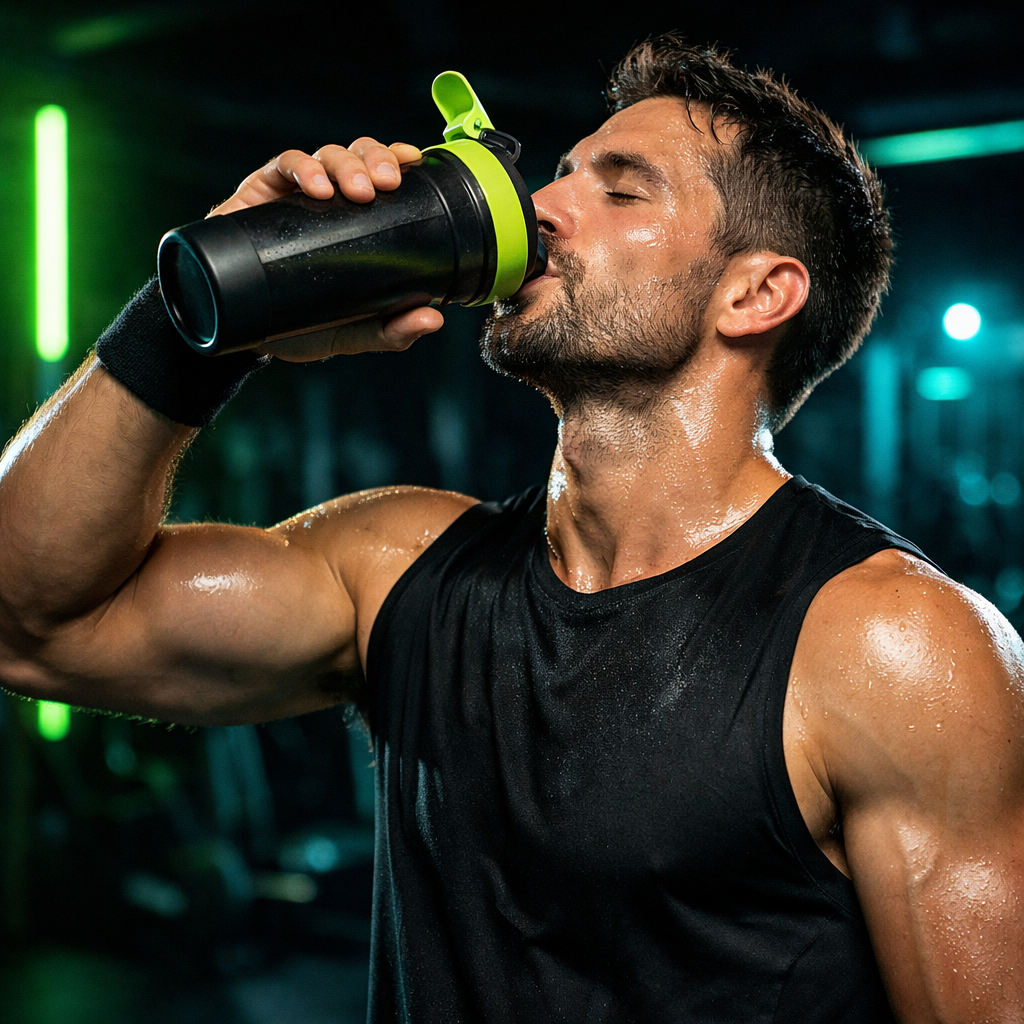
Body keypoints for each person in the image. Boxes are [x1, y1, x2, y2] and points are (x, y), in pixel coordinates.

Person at [0, 33, 1021, 1023]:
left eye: (619, 189)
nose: (543, 209)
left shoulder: (897, 649)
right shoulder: (398, 565)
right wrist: (204, 319)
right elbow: (29, 617)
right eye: (562, 175)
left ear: (756, 293)